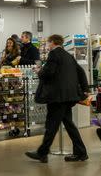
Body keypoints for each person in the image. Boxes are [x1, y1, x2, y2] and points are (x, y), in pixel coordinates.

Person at [25, 34, 88, 163]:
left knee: (51, 125)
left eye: (48, 43)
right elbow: (80, 72)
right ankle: (81, 152)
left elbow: (49, 72)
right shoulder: (68, 56)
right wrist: (85, 89)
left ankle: (42, 153)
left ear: (52, 42)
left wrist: (39, 71)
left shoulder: (54, 54)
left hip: (57, 97)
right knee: (69, 125)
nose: (48, 45)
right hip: (68, 96)